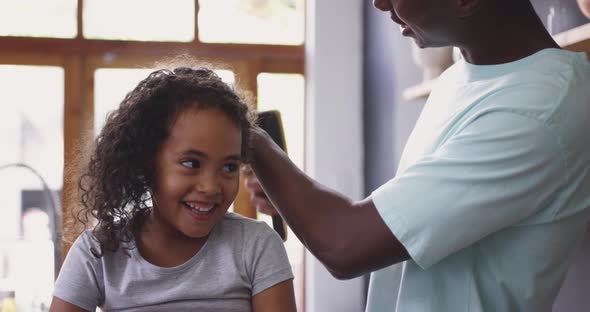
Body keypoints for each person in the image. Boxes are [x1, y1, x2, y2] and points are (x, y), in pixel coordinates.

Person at [243, 0, 590, 311]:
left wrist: (245, 130)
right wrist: (294, 201)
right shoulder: (462, 75)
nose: (380, 4)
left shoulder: (541, 106)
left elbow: (345, 246)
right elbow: (400, 222)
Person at [50, 62, 296, 312]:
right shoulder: (97, 252)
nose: (211, 187)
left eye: (229, 167)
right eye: (191, 163)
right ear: (146, 163)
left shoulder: (256, 245)